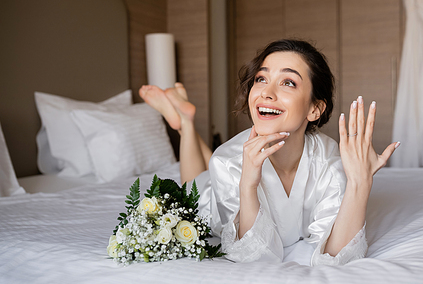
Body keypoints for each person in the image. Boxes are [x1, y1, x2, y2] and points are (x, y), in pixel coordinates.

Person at [140, 39, 400, 266]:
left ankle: (184, 117)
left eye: (288, 82)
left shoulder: (331, 160)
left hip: (229, 162)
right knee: (193, 186)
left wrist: (360, 182)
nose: (266, 92)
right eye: (261, 79)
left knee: (210, 168)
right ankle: (185, 123)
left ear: (314, 109)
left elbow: (335, 255)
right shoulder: (227, 161)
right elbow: (253, 257)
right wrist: (248, 184)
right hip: (215, 191)